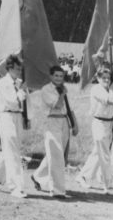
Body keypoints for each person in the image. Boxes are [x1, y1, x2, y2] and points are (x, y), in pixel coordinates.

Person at [0, 54, 28, 198]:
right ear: (9, 68)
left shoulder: (21, 82)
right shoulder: (3, 83)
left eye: (20, 68)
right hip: (7, 116)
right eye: (16, 69)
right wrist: (22, 92)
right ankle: (15, 187)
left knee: (10, 150)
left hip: (18, 116)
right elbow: (12, 100)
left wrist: (27, 117)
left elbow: (26, 102)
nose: (19, 71)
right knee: (13, 153)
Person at [31, 65, 78, 199]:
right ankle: (57, 190)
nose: (58, 78)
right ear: (51, 76)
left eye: (61, 76)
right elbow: (57, 105)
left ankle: (37, 176)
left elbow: (69, 108)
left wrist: (74, 124)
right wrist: (62, 94)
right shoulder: (46, 89)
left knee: (57, 154)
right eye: (56, 76)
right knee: (56, 155)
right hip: (52, 122)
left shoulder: (64, 89)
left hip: (64, 121)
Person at [75, 68, 113, 195]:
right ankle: (108, 185)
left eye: (108, 78)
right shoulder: (97, 90)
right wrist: (112, 88)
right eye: (104, 78)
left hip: (109, 123)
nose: (106, 80)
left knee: (97, 153)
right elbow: (110, 101)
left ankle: (83, 176)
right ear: (98, 78)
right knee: (105, 155)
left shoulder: (110, 90)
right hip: (99, 123)